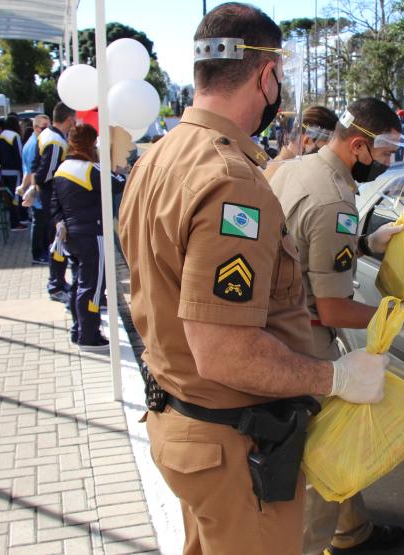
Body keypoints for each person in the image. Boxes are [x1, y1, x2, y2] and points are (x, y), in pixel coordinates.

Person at [117, 4, 389, 554]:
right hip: (234, 447)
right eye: (280, 77)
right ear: (266, 76)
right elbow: (225, 351)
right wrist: (334, 378)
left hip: (185, 424)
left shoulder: (157, 157)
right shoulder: (231, 181)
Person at [270, 97, 404, 554]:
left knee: (327, 441)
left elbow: (303, 248)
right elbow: (335, 309)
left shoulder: (294, 169)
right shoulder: (335, 201)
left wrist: (364, 242)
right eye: (384, 153)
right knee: (324, 457)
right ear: (358, 146)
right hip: (305, 337)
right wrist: (400, 310)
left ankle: (353, 530)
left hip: (277, 325)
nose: (387, 164)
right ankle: (316, 544)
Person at [51, 124, 126, 352]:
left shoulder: (62, 169)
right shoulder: (92, 169)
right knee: (93, 287)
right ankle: (90, 335)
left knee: (78, 285)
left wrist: (60, 224)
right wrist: (121, 170)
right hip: (93, 235)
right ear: (91, 143)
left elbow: (54, 204)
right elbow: (118, 184)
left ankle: (78, 330)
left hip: (71, 236)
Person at [33, 103, 76, 303]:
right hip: (53, 197)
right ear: (69, 119)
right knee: (58, 240)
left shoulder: (48, 135)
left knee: (57, 240)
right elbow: (47, 173)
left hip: (51, 196)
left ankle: (58, 281)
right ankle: (56, 285)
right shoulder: (56, 142)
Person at [262, 105, 338, 180]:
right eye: (325, 150)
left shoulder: (279, 166)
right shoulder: (291, 176)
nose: (328, 157)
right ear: (307, 141)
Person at [21, 114, 51, 264]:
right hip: (37, 190)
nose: (48, 130)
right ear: (36, 128)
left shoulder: (34, 142)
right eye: (45, 127)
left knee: (40, 222)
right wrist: (33, 189)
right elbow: (33, 170)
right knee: (39, 223)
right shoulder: (34, 144)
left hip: (36, 189)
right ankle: (38, 254)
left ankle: (41, 252)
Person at [0, 119, 27, 230]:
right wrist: (23, 171)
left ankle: (17, 220)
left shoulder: (1, 136)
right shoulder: (14, 136)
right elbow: (20, 154)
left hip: (3, 171)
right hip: (15, 171)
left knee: (10, 197)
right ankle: (15, 223)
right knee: (16, 197)